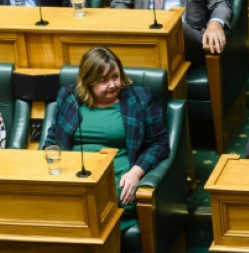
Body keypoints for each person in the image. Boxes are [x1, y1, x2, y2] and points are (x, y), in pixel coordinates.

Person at [43, 46, 169, 230]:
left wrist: (136, 172)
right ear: (88, 82)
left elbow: (160, 143)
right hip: (72, 175)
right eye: (103, 80)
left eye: (115, 77)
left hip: (116, 176)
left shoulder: (140, 99)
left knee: (102, 205)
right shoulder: (69, 97)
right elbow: (53, 140)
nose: (112, 85)